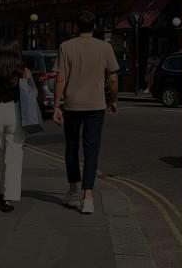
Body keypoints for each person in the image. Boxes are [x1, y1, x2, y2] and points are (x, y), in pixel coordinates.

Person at [52, 11, 119, 214]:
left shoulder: (66, 47)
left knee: (71, 148)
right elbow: (113, 78)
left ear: (76, 26)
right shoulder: (105, 47)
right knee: (91, 150)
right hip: (96, 106)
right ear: (94, 26)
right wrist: (113, 100)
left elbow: (60, 79)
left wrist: (56, 105)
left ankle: (73, 191)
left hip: (72, 105)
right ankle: (87, 196)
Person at [0, 38, 33, 213]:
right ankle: (8, 198)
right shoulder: (22, 71)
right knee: (13, 158)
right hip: (14, 113)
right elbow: (31, 94)